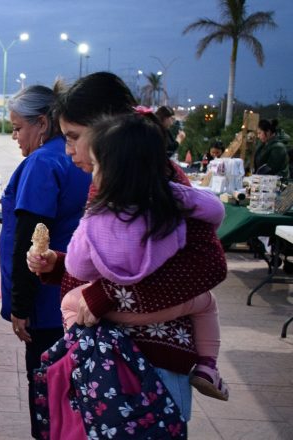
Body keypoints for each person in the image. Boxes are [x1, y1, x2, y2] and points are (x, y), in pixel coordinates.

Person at [28, 71, 228, 422]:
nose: (68, 149)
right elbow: (123, 256)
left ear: (110, 126)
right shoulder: (109, 174)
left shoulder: (153, 176)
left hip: (150, 369)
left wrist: (105, 295)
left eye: (74, 136)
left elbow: (207, 263)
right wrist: (59, 265)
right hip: (113, 362)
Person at [62, 112, 229, 401]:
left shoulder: (99, 214)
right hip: (171, 309)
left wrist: (104, 287)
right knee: (206, 303)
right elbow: (215, 210)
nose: (71, 150)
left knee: (70, 303)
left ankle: (74, 348)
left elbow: (77, 266)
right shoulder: (171, 199)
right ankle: (208, 366)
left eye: (75, 136)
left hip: (120, 323)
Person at [0, 85, 91, 439]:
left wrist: (21, 306)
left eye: (18, 127)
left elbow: (31, 242)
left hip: (47, 300)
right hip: (74, 293)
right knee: (71, 394)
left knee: (48, 395)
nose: (15, 137)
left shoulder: (41, 162)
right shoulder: (76, 156)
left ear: (41, 123)